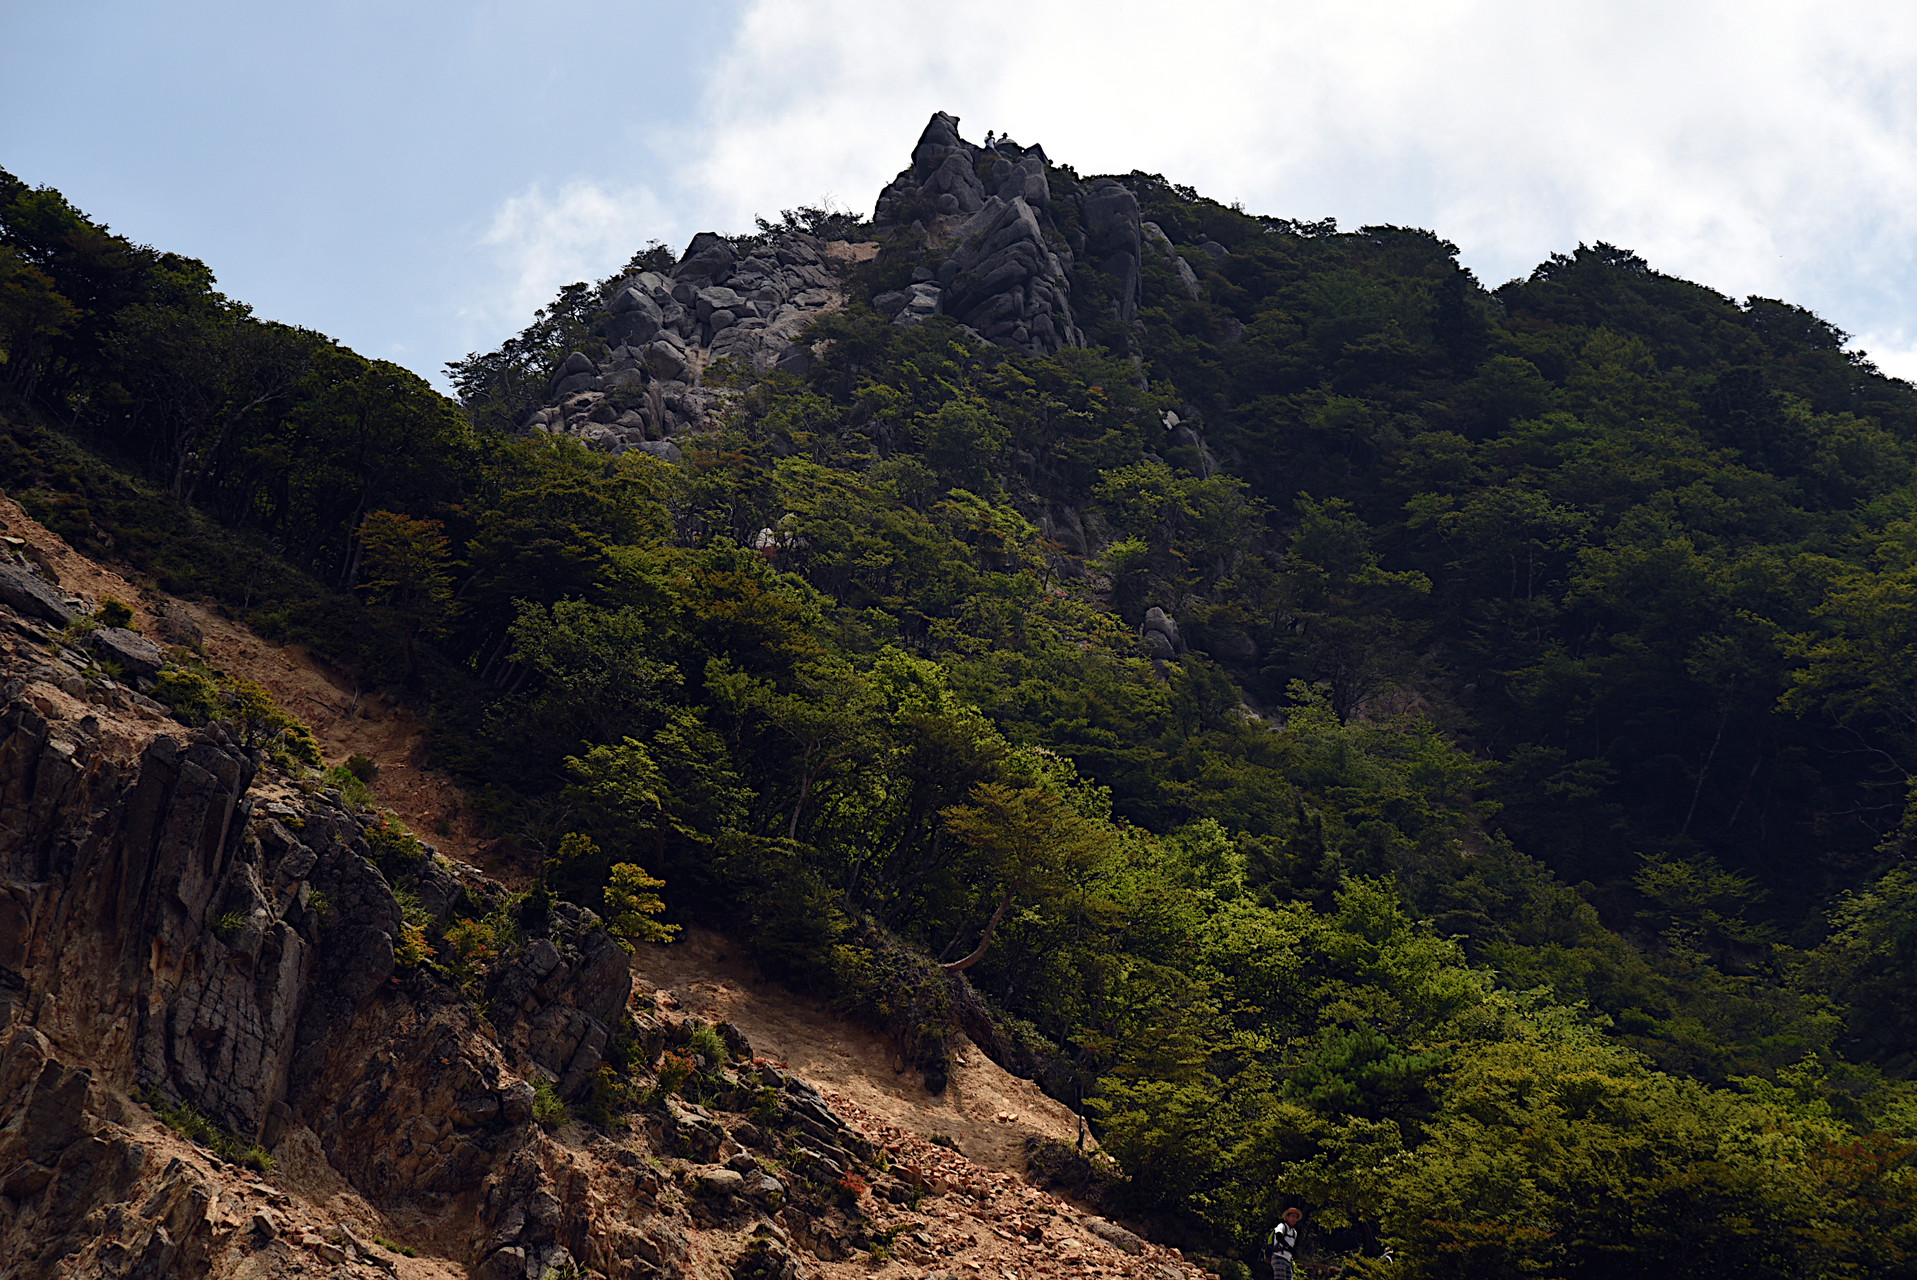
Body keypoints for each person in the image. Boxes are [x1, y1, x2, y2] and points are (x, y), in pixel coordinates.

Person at [1267, 1207, 1303, 1280]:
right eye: (1292, 1216)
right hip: (1279, 1257)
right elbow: (1278, 1236)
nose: (1294, 1219)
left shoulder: (1294, 1232)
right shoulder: (1282, 1226)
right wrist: (1288, 1246)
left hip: (1288, 1260)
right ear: (1287, 1217)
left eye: (1296, 1217)